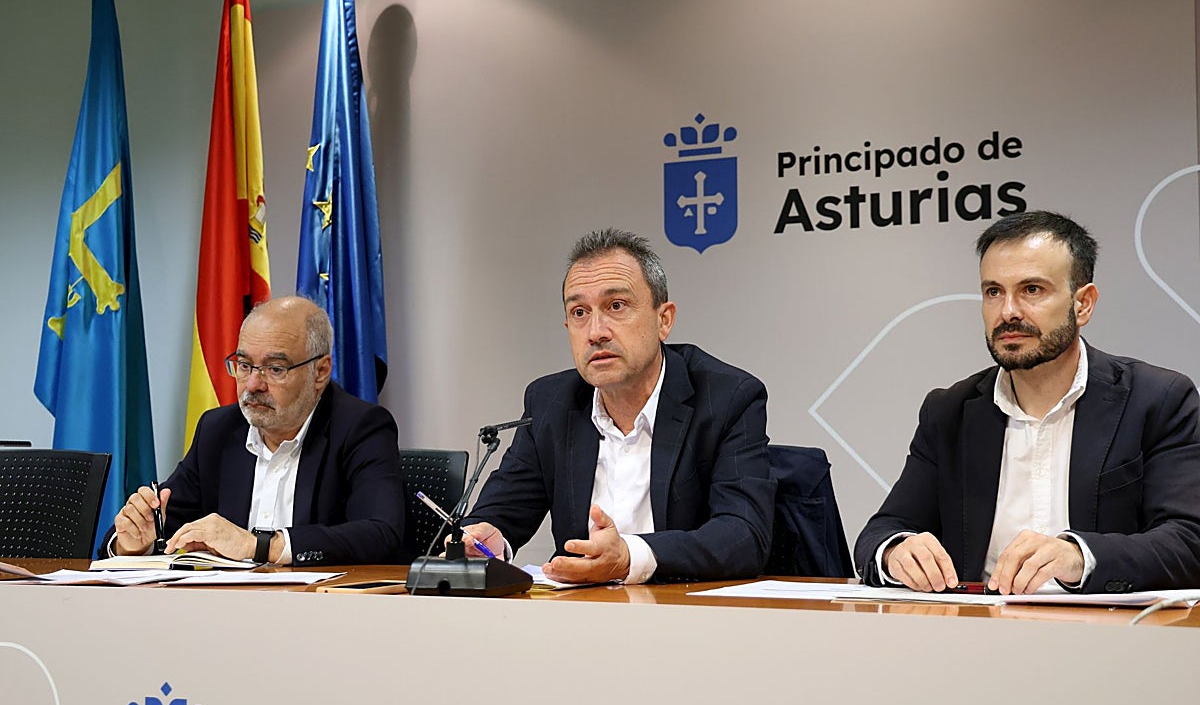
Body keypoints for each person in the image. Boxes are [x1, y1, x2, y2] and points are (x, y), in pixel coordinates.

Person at [855, 211, 1200, 594]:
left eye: (1032, 290)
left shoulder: (1157, 399)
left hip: (1112, 635)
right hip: (978, 635)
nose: (1008, 312)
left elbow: (1188, 542)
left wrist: (1079, 556)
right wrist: (897, 552)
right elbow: (879, 533)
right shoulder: (949, 411)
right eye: (993, 292)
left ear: (1083, 304)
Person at [460, 229, 776, 584]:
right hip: (582, 617)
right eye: (579, 312)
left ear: (664, 320)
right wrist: (488, 538)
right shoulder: (550, 401)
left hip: (686, 615)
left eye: (616, 306)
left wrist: (630, 557)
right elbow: (504, 511)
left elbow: (743, 535)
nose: (596, 332)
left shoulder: (727, 397)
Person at [107, 296, 404, 565]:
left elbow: (381, 533)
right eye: (245, 365)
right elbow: (163, 523)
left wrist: (258, 546)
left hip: (319, 612)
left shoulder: (361, 428)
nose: (252, 385)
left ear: (321, 371)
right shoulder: (218, 431)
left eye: (275, 369)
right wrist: (133, 544)